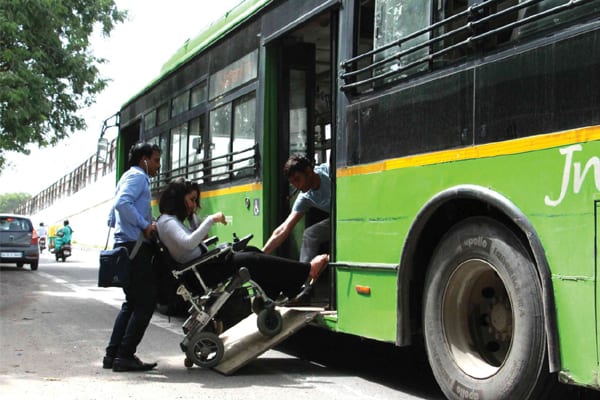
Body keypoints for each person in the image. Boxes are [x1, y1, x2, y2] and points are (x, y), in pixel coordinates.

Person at [156, 179, 329, 301]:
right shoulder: (168, 222)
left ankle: (283, 291)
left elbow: (199, 238)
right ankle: (307, 270)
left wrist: (192, 215)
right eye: (191, 200)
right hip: (201, 272)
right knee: (252, 260)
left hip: (204, 267)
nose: (194, 204)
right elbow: (189, 242)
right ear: (179, 199)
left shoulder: (171, 221)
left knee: (251, 251)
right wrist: (211, 220)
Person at [103, 142, 161, 373]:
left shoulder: (128, 176)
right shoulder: (138, 177)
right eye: (155, 160)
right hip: (135, 248)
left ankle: (113, 354)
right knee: (146, 302)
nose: (158, 165)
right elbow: (122, 203)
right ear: (143, 160)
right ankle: (125, 355)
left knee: (132, 303)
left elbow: (112, 214)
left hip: (126, 245)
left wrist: (146, 221)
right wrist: (144, 225)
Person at [262, 155, 331, 262]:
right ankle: (304, 275)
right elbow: (283, 229)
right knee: (310, 234)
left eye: (297, 179)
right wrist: (262, 253)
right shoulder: (305, 197)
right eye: (293, 183)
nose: (297, 186)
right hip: (338, 219)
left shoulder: (329, 170)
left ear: (308, 171)